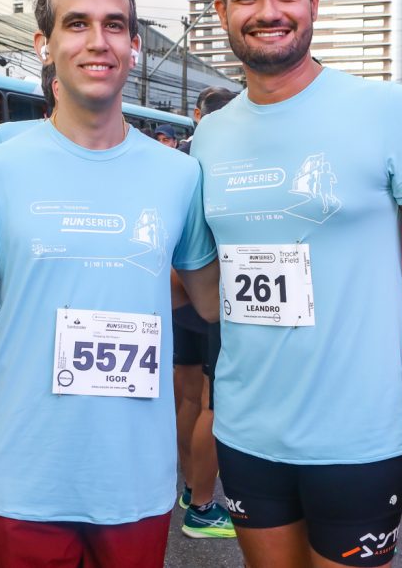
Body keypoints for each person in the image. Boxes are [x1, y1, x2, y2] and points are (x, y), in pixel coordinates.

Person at [190, 0, 402, 567]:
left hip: (357, 443)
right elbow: (209, 292)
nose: (268, 12)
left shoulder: (387, 110)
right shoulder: (209, 136)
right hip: (244, 434)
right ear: (222, 11)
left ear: (315, 2)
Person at [0, 0, 220, 568]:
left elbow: (212, 300)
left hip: (135, 487)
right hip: (19, 482)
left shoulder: (179, 175)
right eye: (77, 23)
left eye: (115, 26)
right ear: (45, 44)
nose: (98, 41)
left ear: (134, 47)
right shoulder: (0, 170)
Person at [172, 89, 237, 540]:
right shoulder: (223, 158)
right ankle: (201, 504)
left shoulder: (179, 161)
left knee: (190, 400)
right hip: (209, 293)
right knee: (212, 404)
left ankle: (191, 486)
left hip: (181, 294)